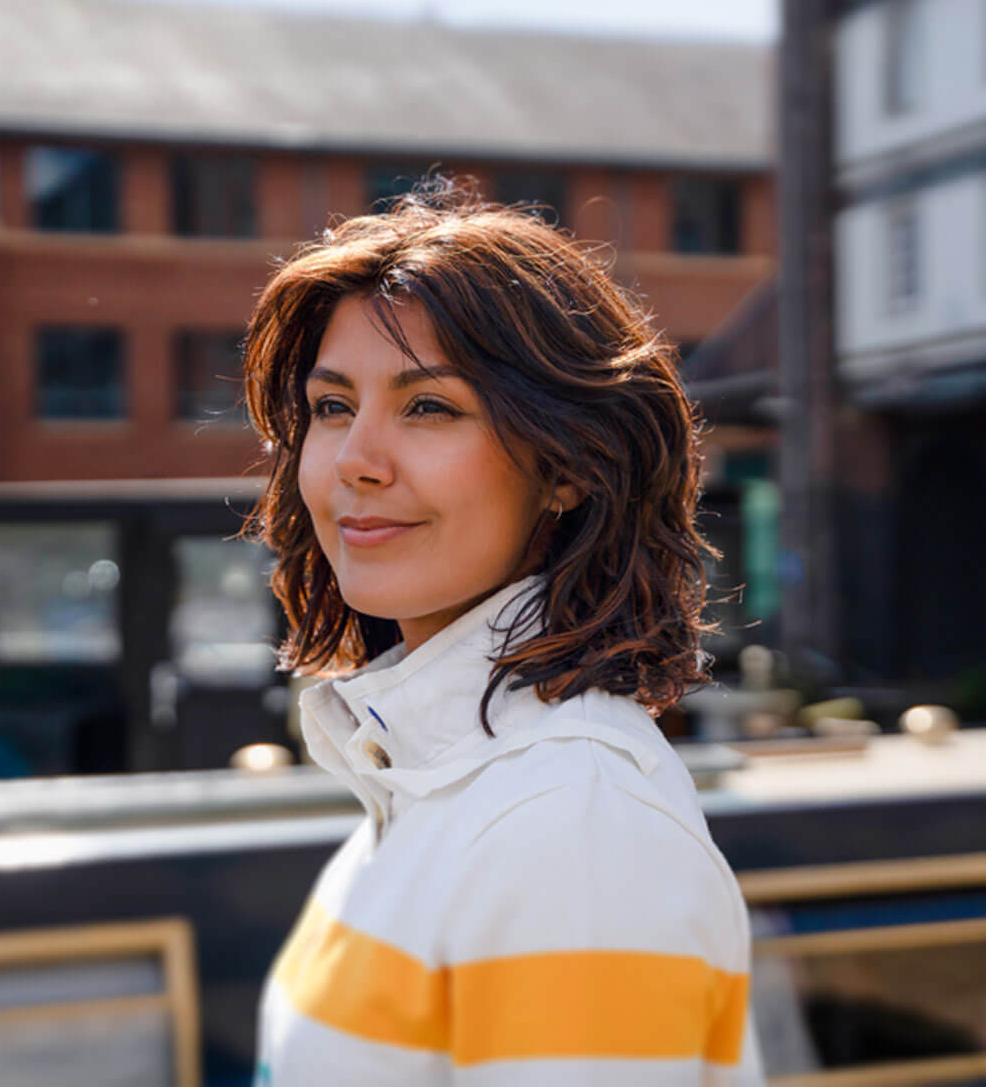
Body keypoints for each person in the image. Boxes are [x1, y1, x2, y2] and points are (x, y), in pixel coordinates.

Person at [243, 186, 761, 1084]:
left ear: (565, 468)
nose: (355, 461)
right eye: (332, 407)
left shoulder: (571, 823)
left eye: (429, 408)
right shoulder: (433, 777)